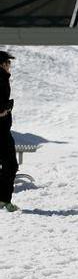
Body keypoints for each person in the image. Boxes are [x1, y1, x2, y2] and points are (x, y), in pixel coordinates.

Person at [0, 50, 17, 212]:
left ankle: (3, 200)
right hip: (1, 130)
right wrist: (5, 108)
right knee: (11, 165)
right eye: (8, 62)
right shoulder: (0, 79)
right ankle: (4, 200)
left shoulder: (3, 79)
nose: (10, 66)